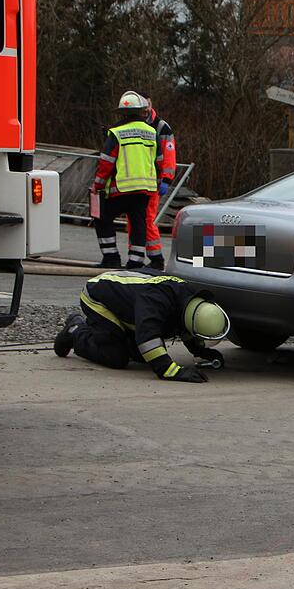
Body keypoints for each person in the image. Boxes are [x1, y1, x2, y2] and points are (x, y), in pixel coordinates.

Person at [53, 269, 230, 383]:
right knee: (116, 358)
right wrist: (171, 370)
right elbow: (148, 337)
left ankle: (108, 335)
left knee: (140, 357)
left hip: (128, 302)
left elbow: (186, 327)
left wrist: (202, 352)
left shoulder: (189, 298)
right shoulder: (155, 302)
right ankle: (76, 330)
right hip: (98, 297)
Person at [92, 91, 159, 269]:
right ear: (141, 111)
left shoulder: (116, 133)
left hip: (121, 188)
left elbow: (106, 162)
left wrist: (97, 185)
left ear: (121, 113)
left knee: (102, 217)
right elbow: (158, 160)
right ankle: (136, 261)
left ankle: (111, 256)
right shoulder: (152, 132)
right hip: (145, 188)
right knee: (138, 222)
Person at [137, 98, 177, 270]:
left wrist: (166, 179)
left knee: (147, 219)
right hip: (138, 181)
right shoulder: (136, 123)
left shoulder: (161, 127)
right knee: (136, 220)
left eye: (148, 105)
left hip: (152, 181)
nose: (146, 109)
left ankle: (156, 258)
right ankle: (137, 256)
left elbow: (169, 156)